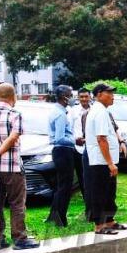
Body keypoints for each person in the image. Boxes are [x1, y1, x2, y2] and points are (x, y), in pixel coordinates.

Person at [0, 83, 41, 250]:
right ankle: (19, 238)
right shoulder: (15, 114)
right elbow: (13, 137)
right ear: (14, 97)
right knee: (17, 203)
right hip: (11, 166)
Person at [85, 83, 125, 234]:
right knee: (100, 193)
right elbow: (101, 139)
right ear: (100, 94)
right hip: (102, 161)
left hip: (106, 161)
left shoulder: (101, 110)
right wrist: (110, 163)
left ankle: (109, 221)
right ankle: (99, 225)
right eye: (109, 93)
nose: (112, 96)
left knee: (109, 192)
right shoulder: (99, 112)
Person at [46, 85, 76, 227]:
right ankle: (60, 218)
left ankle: (53, 216)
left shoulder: (59, 111)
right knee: (65, 186)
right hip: (63, 151)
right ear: (64, 97)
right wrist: (75, 140)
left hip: (61, 151)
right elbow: (59, 138)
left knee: (60, 185)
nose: (72, 97)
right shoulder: (60, 114)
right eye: (70, 95)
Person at [69, 87, 92, 215]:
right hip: (78, 148)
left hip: (93, 147)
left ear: (90, 97)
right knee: (82, 175)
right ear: (78, 98)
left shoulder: (95, 110)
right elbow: (70, 129)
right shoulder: (73, 111)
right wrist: (74, 140)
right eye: (81, 97)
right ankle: (86, 199)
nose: (84, 99)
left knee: (92, 175)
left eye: (86, 96)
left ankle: (92, 197)